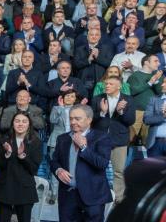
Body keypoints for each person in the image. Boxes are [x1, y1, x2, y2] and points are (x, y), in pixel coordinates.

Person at [50, 105, 113, 222]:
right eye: (71, 118)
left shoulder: (102, 137)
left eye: (77, 119)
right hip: (68, 196)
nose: (73, 122)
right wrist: (58, 170)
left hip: (93, 198)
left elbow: (102, 163)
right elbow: (54, 162)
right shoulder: (62, 138)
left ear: (89, 120)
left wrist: (83, 147)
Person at [0, 111, 42, 222]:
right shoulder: (4, 140)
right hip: (5, 187)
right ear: (12, 123)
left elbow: (33, 169)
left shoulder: (36, 142)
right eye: (17, 121)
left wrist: (22, 156)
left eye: (24, 121)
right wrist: (7, 154)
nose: (20, 124)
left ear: (29, 124)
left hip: (25, 189)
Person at [91, 76, 135, 204]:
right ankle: (97, 195)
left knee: (119, 171)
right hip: (100, 140)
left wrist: (121, 112)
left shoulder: (128, 100)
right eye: (106, 84)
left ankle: (118, 199)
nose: (107, 86)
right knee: (97, 169)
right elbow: (90, 119)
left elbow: (130, 120)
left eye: (110, 84)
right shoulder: (97, 99)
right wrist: (102, 113)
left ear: (119, 86)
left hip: (119, 140)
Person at [143, 78, 166, 157]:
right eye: (163, 82)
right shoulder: (154, 99)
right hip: (155, 143)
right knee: (153, 169)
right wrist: (163, 116)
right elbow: (146, 119)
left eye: (165, 83)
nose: (162, 85)